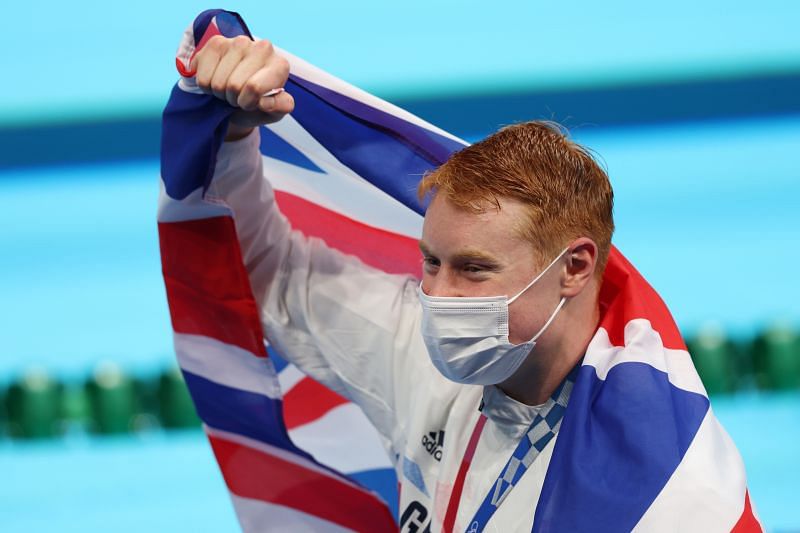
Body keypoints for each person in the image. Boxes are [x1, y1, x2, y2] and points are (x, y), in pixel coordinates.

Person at [185, 32, 758, 532]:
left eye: (475, 269)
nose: (439, 296)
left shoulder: (671, 491)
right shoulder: (421, 349)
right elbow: (269, 273)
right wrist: (234, 134)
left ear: (575, 268)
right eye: (432, 262)